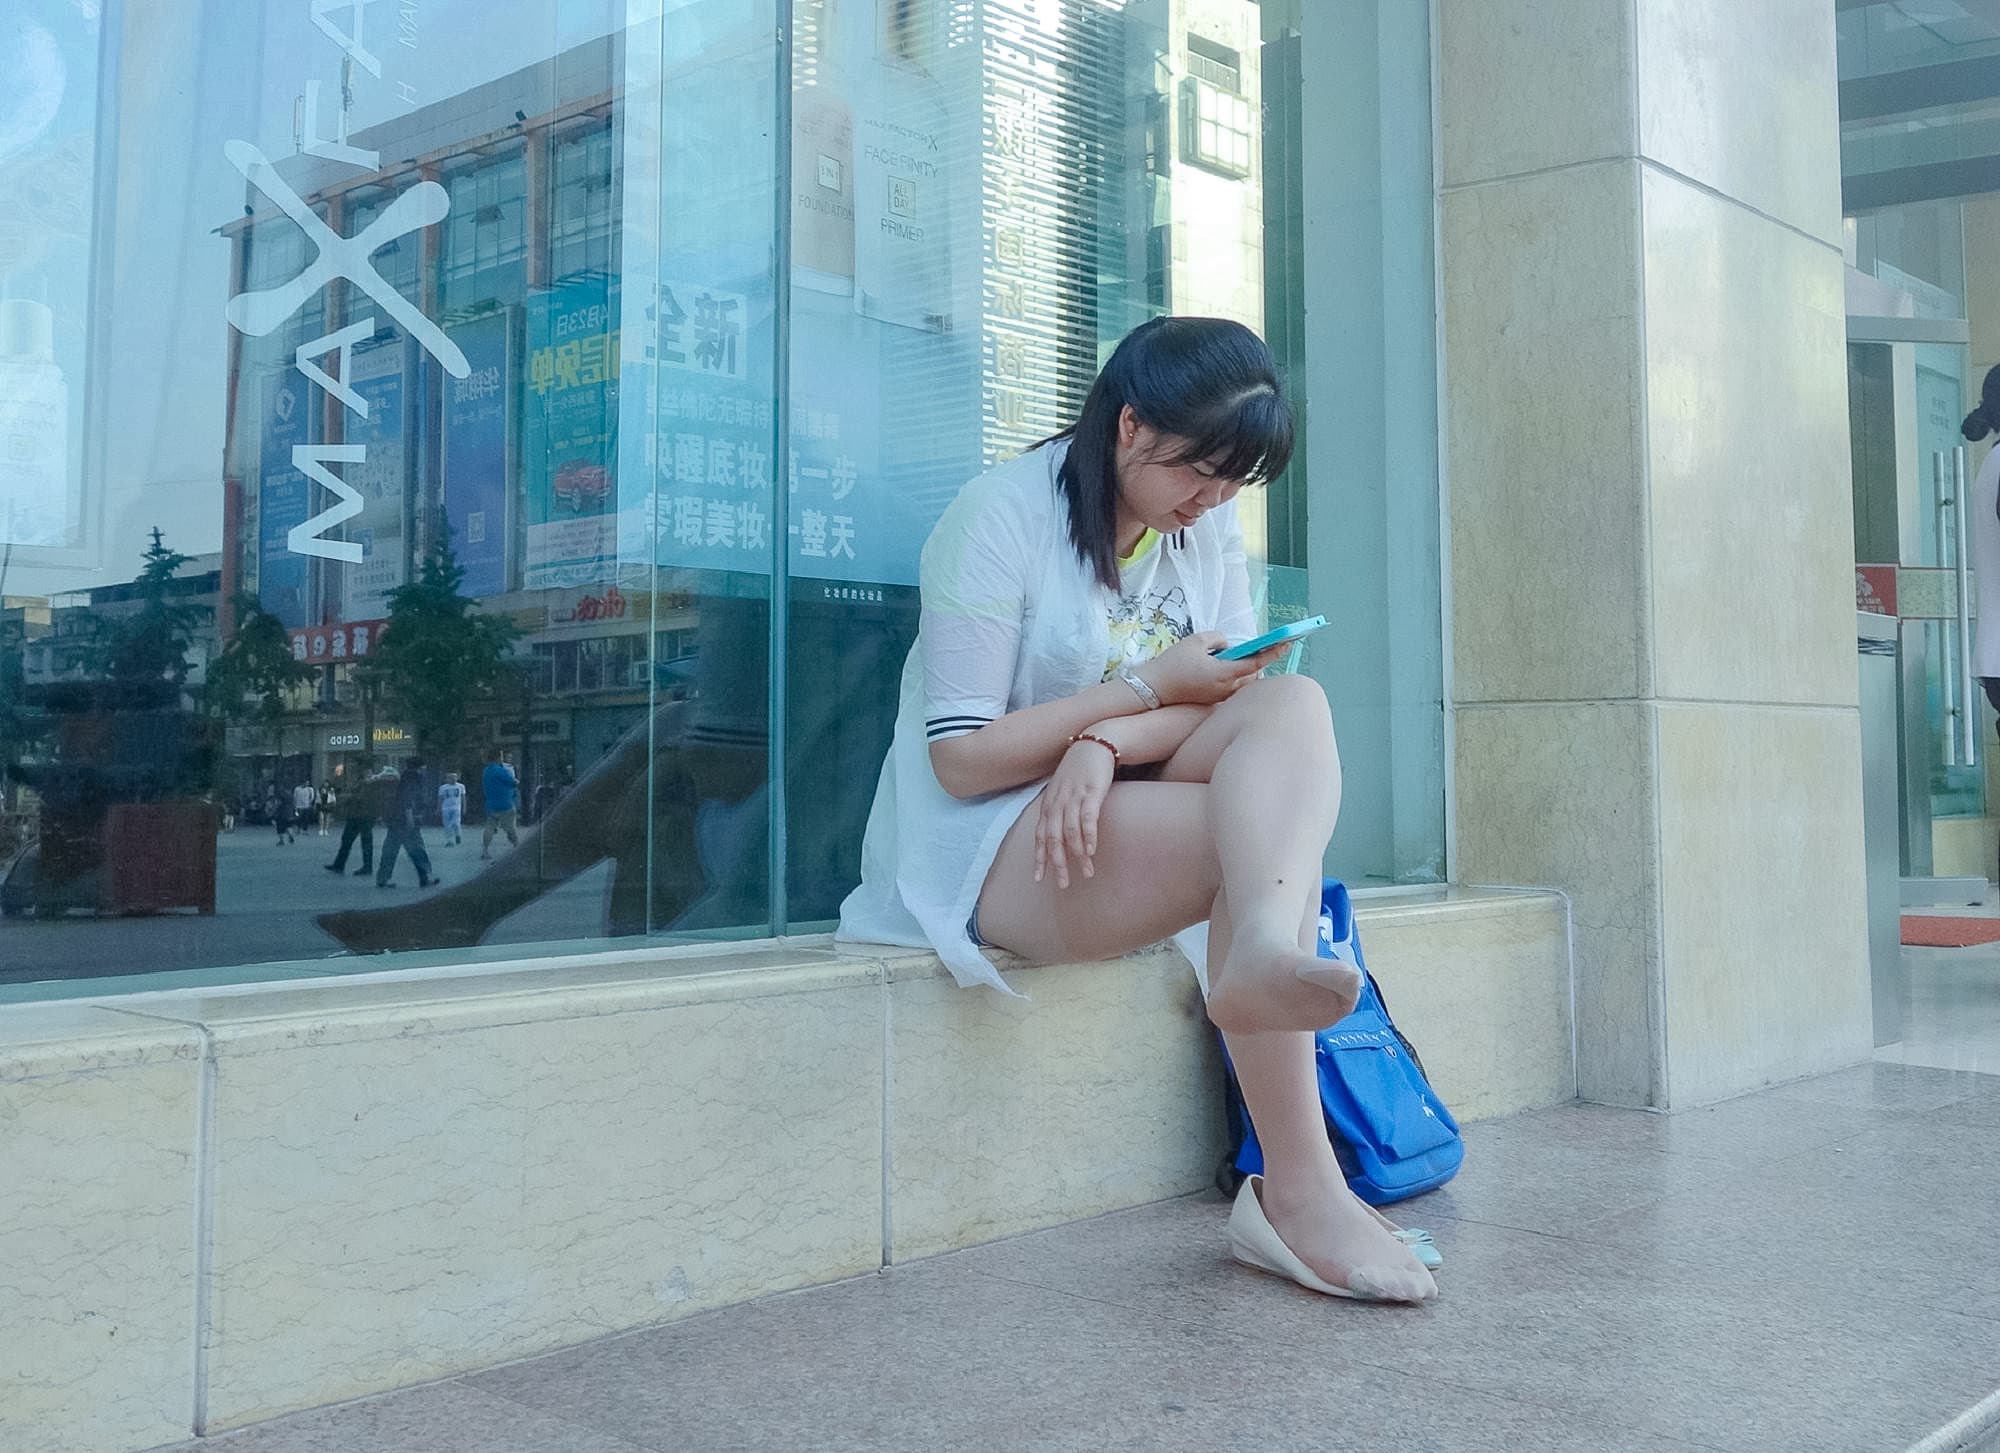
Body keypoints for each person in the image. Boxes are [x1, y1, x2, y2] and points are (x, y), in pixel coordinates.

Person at [836, 316, 1436, 1305]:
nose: (1211, 502)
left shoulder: (1197, 526)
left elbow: (1230, 697)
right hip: (990, 841)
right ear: (1126, 427)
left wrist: (1103, 743)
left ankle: (1257, 984)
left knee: (1292, 704)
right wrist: (1137, 698)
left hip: (1113, 790)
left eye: (1234, 483)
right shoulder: (996, 517)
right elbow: (959, 759)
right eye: (1198, 472)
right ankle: (1298, 1192)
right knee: (1246, 844)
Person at [376, 758, 437, 889]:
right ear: (419, 768)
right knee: (416, 848)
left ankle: (383, 878)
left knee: (390, 849)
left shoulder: (405, 777)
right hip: (405, 820)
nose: (425, 771)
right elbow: (407, 799)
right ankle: (425, 877)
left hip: (396, 820)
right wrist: (410, 817)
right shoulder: (413, 778)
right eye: (424, 768)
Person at [325, 765, 388, 877]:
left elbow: (358, 797)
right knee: (358, 841)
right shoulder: (369, 783)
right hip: (363, 816)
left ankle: (342, 865)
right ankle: (347, 865)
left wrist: (345, 798)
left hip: (359, 816)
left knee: (351, 841)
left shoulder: (366, 784)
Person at [481, 752, 520, 859]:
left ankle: (485, 850)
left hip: (491, 804)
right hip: (505, 803)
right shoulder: (501, 770)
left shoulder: (486, 771)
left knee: (489, 827)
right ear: (498, 758)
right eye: (502, 756)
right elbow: (514, 782)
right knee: (511, 827)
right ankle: (517, 846)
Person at [437, 771, 466, 846]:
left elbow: (463, 798)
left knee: (456, 823)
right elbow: (440, 798)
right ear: (446, 779)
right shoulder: (443, 787)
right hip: (446, 808)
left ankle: (458, 835)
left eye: (454, 777)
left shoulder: (461, 786)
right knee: (446, 824)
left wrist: (464, 807)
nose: (453, 779)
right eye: (450, 777)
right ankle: (449, 840)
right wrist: (438, 808)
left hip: (456, 807)